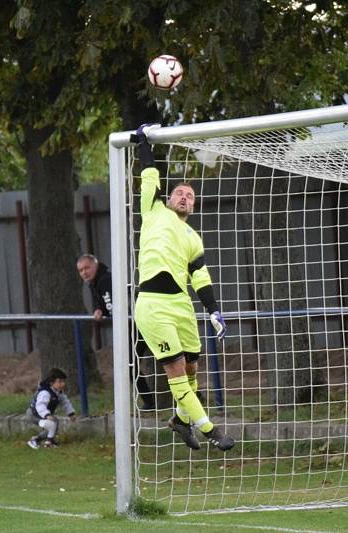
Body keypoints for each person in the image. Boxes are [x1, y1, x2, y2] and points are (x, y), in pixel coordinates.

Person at [129, 124, 234, 452]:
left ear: (194, 206)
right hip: (153, 304)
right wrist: (145, 144)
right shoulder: (153, 210)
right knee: (175, 371)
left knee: (191, 368)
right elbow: (149, 175)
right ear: (170, 197)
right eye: (180, 193)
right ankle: (211, 429)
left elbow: (200, 278)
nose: (184, 197)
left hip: (181, 305)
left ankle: (179, 419)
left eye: (190, 196)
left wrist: (214, 309)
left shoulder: (193, 238)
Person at [76, 253, 156, 411]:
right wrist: (99, 309)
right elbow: (105, 303)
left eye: (87, 268)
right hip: (135, 325)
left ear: (96, 265)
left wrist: (106, 311)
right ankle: (151, 401)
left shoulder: (106, 280)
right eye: (80, 270)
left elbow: (114, 306)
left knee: (130, 363)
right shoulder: (95, 282)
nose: (84, 272)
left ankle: (151, 401)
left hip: (141, 324)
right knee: (131, 363)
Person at [26, 368, 77, 449]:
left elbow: (65, 402)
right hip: (33, 414)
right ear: (51, 382)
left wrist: (71, 413)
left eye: (63, 381)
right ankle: (46, 442)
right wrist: (47, 415)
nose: (63, 384)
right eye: (60, 381)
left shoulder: (58, 392)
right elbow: (40, 405)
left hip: (42, 414)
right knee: (51, 424)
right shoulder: (45, 393)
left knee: (54, 424)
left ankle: (42, 440)